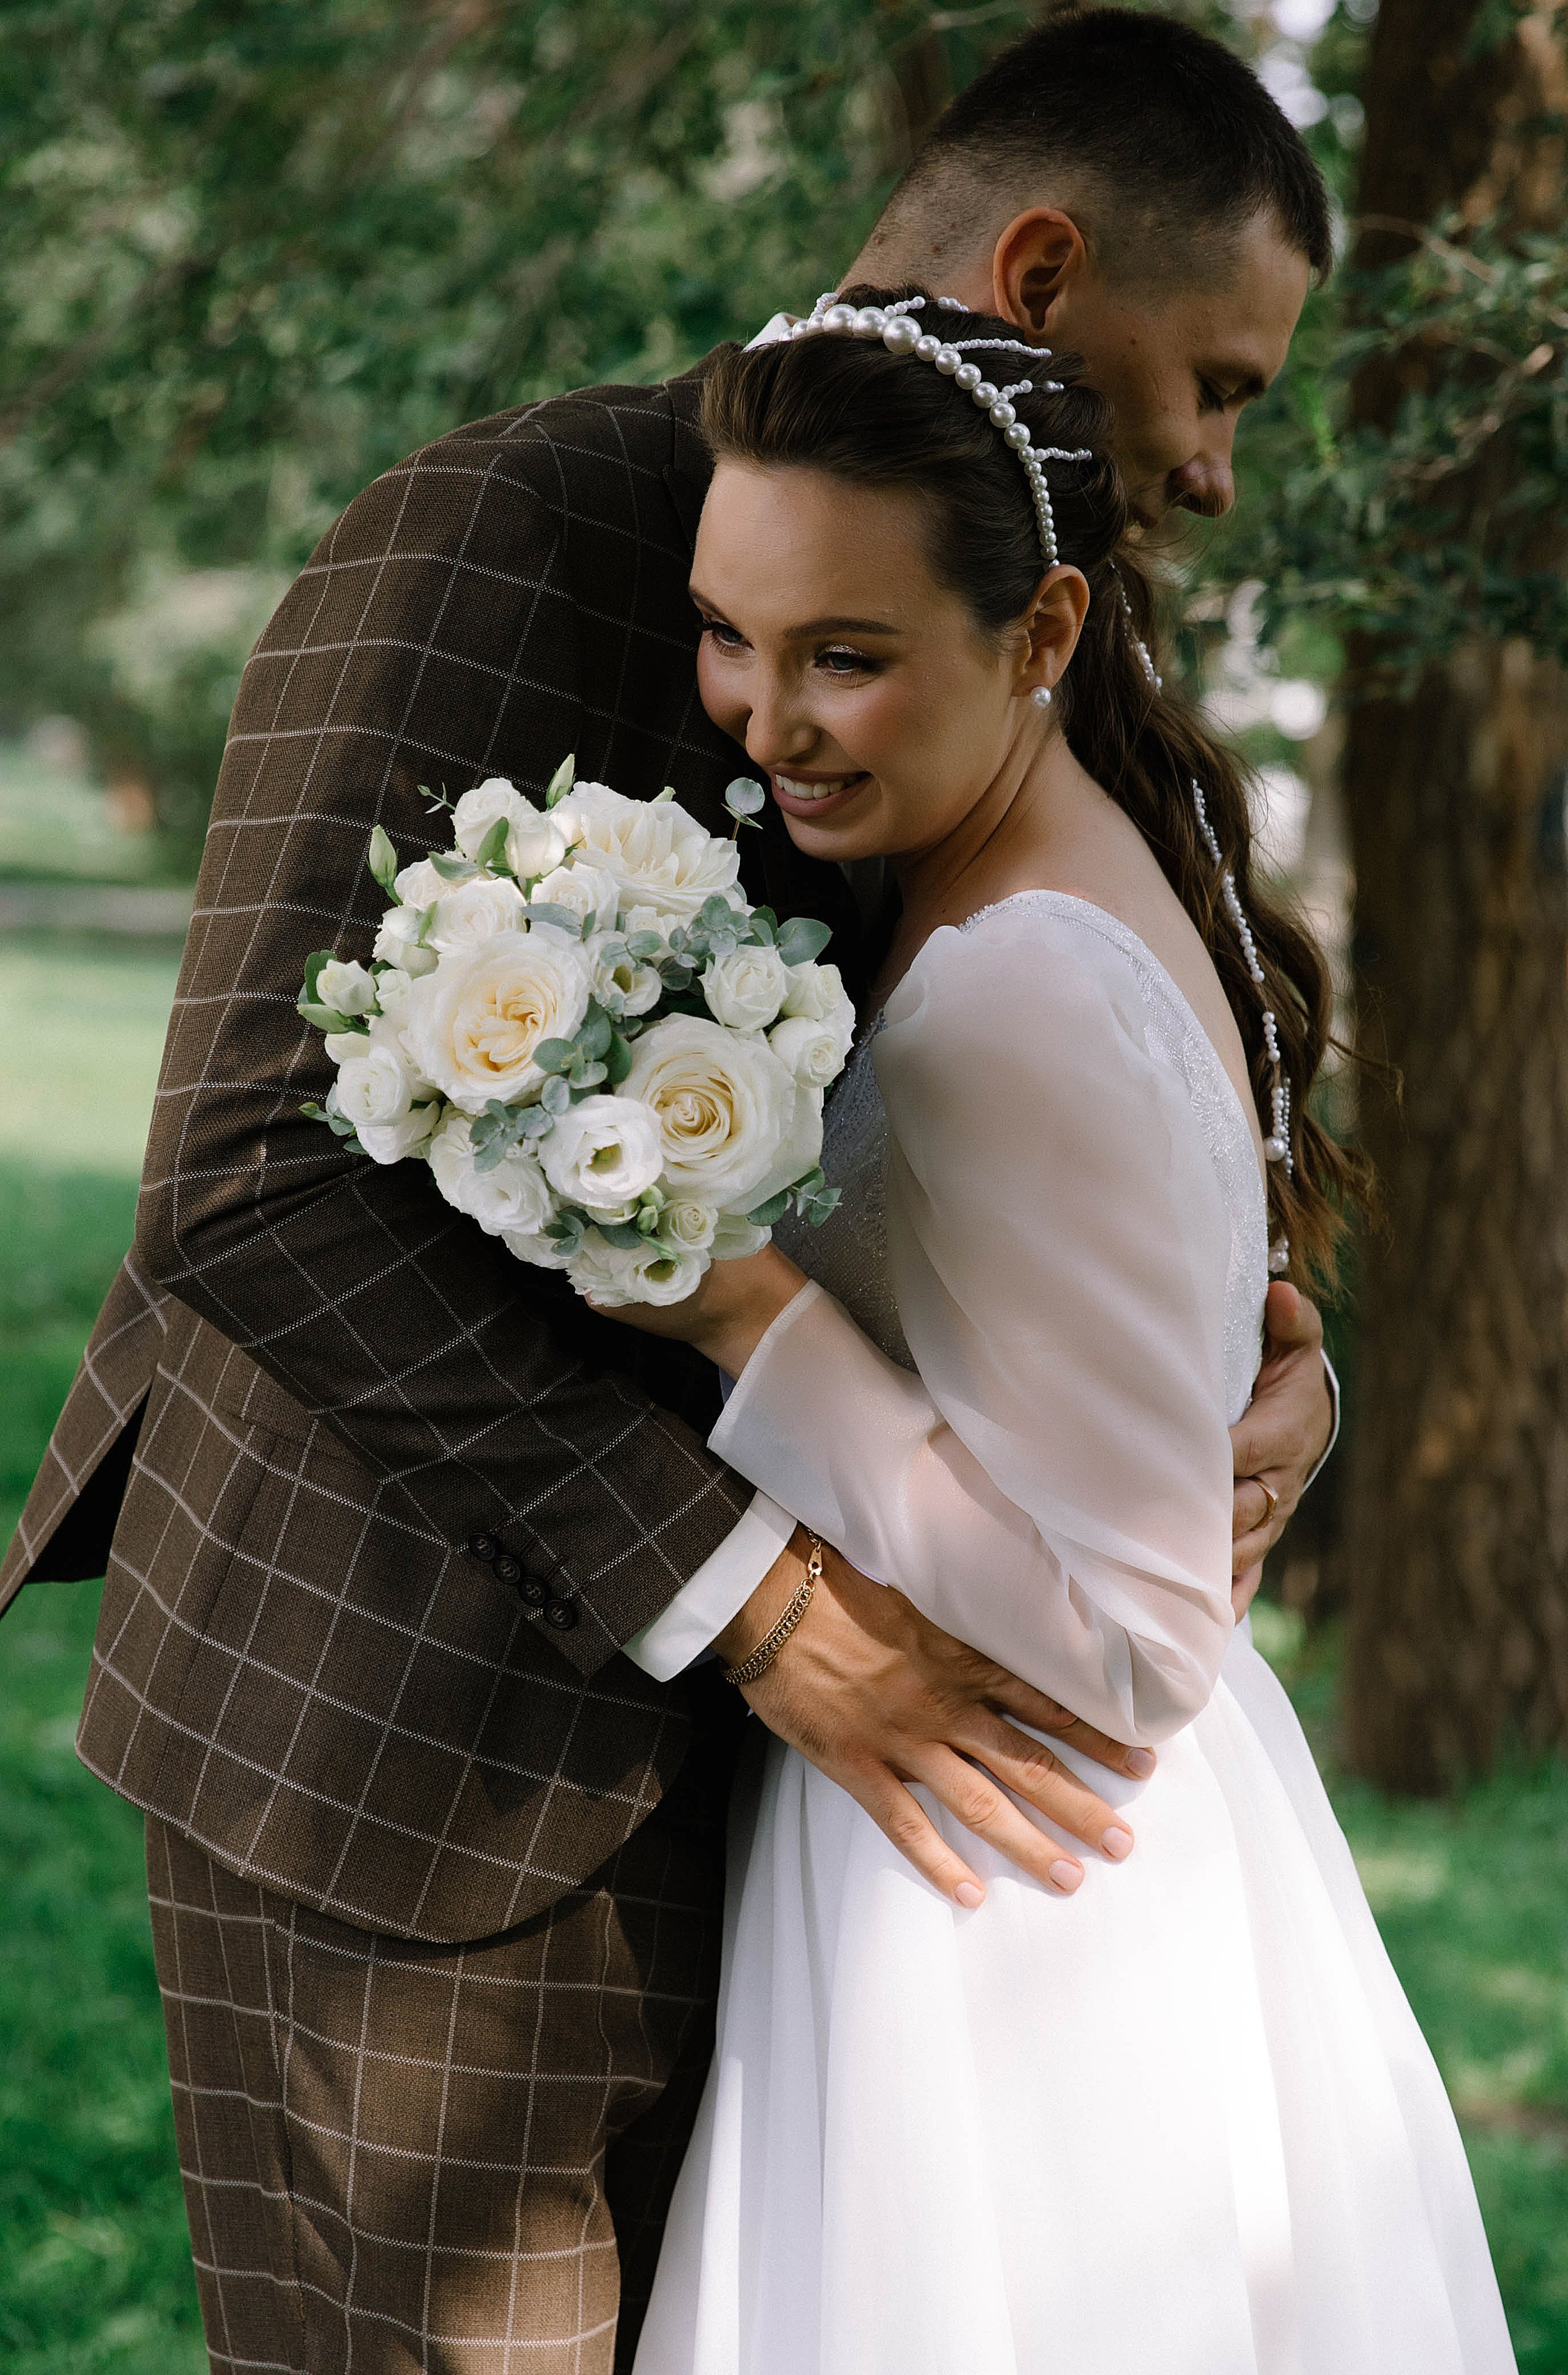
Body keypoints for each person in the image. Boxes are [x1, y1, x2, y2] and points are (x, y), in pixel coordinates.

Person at [0, 13, 1339, 2372]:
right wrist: (760, 1610)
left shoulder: (1038, 633)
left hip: (849, 1834)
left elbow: (1086, 1110)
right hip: (420, 1777)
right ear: (1042, 273)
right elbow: (247, 1174)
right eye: (1215, 382)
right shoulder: (521, 527)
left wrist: (1270, 1369)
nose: (1220, 468)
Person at [613, 293, 1515, 2375]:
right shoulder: (1037, 853)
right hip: (1019, 1837)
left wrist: (746, 1316)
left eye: (847, 657)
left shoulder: (1018, 978)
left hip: (1015, 1885)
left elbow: (1136, 1648)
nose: (765, 721)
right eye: (731, 635)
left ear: (1042, 633)